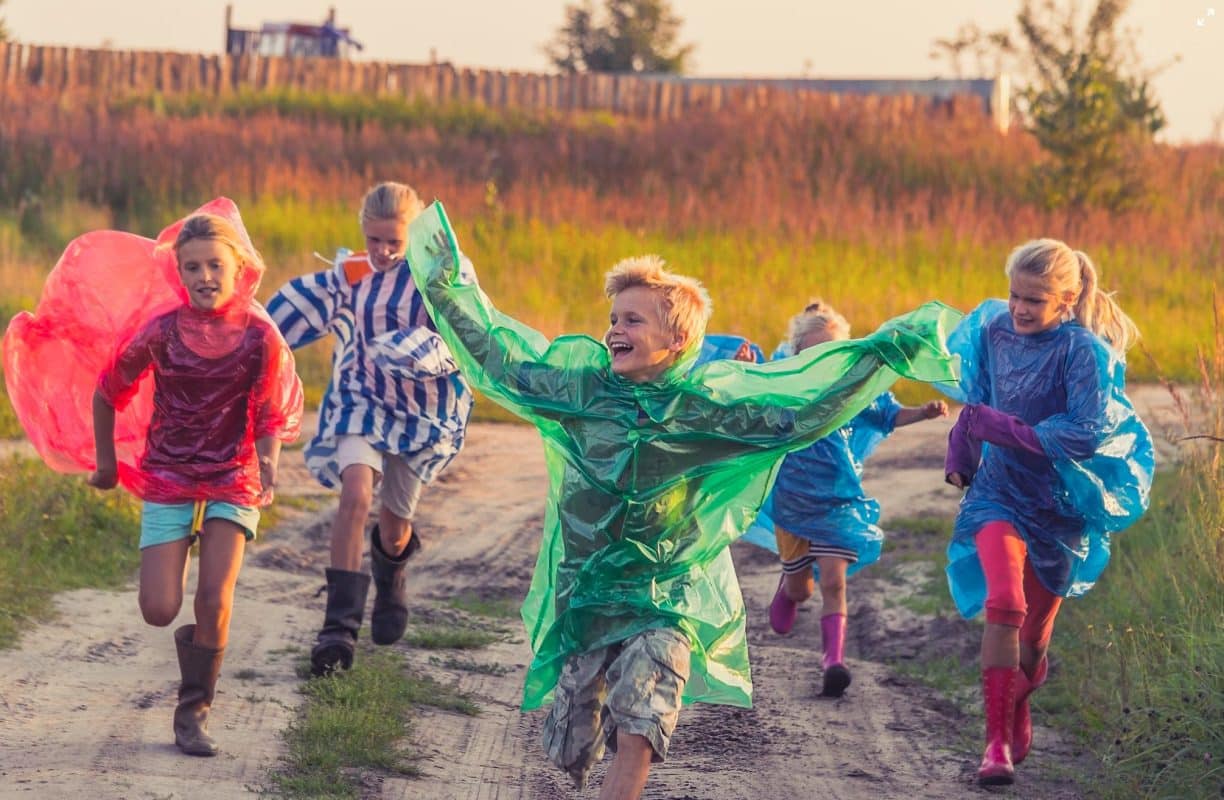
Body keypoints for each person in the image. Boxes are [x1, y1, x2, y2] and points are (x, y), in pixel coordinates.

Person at [403, 200, 962, 799]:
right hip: (587, 589)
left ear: (676, 341)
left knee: (643, 718)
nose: (615, 329)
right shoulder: (580, 390)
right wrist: (447, 286)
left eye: (634, 321)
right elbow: (498, 357)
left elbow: (795, 414)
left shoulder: (700, 411)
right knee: (569, 746)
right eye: (613, 318)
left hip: (666, 592)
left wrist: (879, 355)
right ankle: (598, 720)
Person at [5, 200, 304, 757]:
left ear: (239, 268)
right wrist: (104, 464)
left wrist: (269, 462)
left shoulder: (260, 338)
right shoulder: (161, 332)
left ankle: (194, 711)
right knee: (159, 608)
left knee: (214, 598)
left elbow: (269, 411)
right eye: (192, 267)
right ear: (178, 273)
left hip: (233, 477)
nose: (205, 277)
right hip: (168, 471)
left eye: (215, 265)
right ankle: (186, 576)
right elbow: (106, 390)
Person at [941, 239, 1153, 786]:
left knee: (1033, 641)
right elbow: (978, 404)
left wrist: (1010, 431)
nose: (1018, 308)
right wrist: (962, 456)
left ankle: (1023, 692)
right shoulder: (994, 332)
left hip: (1060, 504)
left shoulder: (1082, 352)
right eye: (1014, 295)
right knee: (1004, 604)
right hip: (996, 493)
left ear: (1067, 298)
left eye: (1034, 300)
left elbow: (1084, 434)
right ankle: (993, 747)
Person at [267, 181, 473, 677]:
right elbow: (288, 316)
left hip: (419, 412)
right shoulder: (351, 277)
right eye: (374, 239)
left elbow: (466, 336)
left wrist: (420, 351)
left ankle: (392, 572)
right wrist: (248, 340)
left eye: (393, 243)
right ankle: (337, 630)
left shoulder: (438, 277)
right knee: (355, 495)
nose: (381, 252)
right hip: (360, 399)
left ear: (412, 237)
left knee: (394, 523)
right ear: (363, 231)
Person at [758, 299, 947, 699]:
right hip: (792, 505)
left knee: (834, 583)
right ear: (796, 354)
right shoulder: (784, 388)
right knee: (801, 591)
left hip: (839, 502)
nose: (826, 361)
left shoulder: (854, 389)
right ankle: (789, 589)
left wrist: (924, 413)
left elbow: (887, 415)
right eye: (815, 353)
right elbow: (748, 406)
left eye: (834, 352)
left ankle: (833, 662)